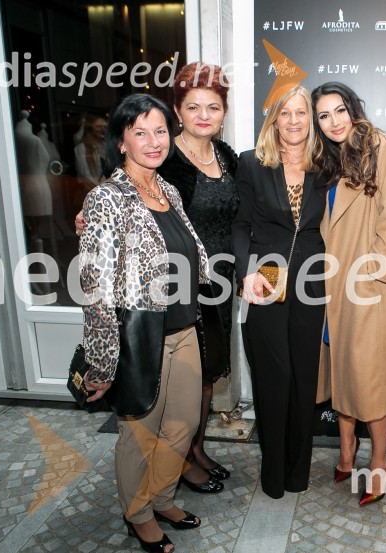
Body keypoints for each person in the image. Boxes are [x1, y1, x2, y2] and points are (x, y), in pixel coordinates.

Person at [80, 94, 210, 552]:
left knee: (182, 425)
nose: (154, 142)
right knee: (139, 435)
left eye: (160, 131)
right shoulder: (106, 200)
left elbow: (189, 252)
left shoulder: (168, 191)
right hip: (139, 337)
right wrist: (100, 360)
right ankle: (137, 515)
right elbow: (93, 284)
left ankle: (161, 496)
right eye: (140, 132)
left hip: (183, 330)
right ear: (121, 141)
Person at [311, 82, 386, 506]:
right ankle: (346, 450)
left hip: (369, 288)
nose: (334, 121)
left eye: (340, 110)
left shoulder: (380, 146)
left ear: (354, 109)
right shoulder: (327, 161)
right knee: (343, 370)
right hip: (333, 287)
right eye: (324, 115)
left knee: (370, 380)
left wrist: (369, 276)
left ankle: (378, 460)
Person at [232, 85, 327, 499]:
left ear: (311, 119)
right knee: (274, 377)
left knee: (303, 378)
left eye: (301, 113)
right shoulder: (252, 164)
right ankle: (272, 472)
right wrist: (243, 274)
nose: (293, 121)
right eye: (284, 113)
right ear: (273, 120)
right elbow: (239, 225)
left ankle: (297, 472)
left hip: (310, 281)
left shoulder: (326, 166)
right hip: (265, 280)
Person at [158, 61, 238, 492]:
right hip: (183, 287)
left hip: (221, 285)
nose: (203, 115)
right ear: (178, 110)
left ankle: (197, 448)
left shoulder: (226, 156)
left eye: (213, 106)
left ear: (224, 112)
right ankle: (181, 461)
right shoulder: (165, 158)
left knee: (206, 375)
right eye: (193, 106)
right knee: (185, 381)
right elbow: (127, 193)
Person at [74, 114, 108, 189]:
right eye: (98, 126)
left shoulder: (106, 146)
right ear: (89, 128)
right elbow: (85, 176)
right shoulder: (82, 147)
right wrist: (101, 191)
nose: (103, 129)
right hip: (95, 193)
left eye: (105, 127)